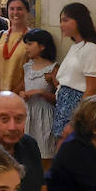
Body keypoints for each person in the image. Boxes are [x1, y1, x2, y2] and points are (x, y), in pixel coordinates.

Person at [53, 2, 96, 144]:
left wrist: (75, 120)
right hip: (63, 104)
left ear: (79, 21)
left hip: (77, 106)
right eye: (61, 21)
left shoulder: (91, 49)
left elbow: (91, 89)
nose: (61, 25)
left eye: (66, 20)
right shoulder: (76, 47)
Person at [0, 0, 30, 100]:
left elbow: (32, 71)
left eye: (19, 9)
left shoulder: (31, 38)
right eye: (12, 9)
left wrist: (11, 94)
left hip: (18, 97)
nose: (15, 13)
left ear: (27, 11)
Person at [21, 28, 58, 159]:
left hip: (44, 116)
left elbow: (60, 99)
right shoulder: (27, 67)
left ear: (42, 46)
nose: (26, 47)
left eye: (30, 44)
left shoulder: (52, 69)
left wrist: (42, 93)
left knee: (44, 155)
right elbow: (21, 88)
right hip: (28, 113)